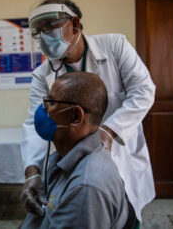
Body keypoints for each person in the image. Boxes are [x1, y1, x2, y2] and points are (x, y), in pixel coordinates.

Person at [20, 0, 156, 227]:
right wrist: (32, 173)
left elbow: (143, 90)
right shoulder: (42, 74)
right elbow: (35, 125)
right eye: (39, 31)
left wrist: (108, 131)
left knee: (122, 212)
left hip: (119, 155)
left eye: (50, 27)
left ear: (74, 24)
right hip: (78, 159)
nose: (44, 36)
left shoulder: (115, 46)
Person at [21, 71, 132, 229]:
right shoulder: (63, 157)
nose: (42, 108)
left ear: (75, 117)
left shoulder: (86, 189)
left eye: (50, 102)